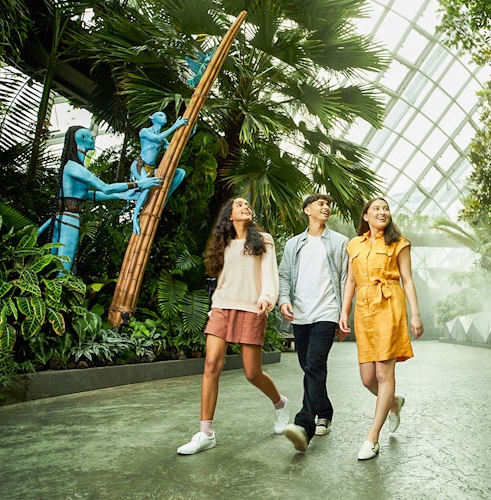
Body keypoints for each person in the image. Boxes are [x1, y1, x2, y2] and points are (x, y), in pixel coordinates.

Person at [177, 197, 290, 455]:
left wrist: (267, 298)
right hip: (222, 306)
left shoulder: (264, 240)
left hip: (252, 307)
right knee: (211, 363)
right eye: (239, 205)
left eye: (248, 205)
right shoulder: (224, 243)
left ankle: (280, 403)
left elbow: (270, 274)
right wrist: (215, 305)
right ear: (230, 215)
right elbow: (223, 279)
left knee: (252, 373)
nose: (245, 207)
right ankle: (206, 433)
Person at [338, 197, 424, 461]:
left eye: (385, 208)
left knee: (384, 373)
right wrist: (344, 310)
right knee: (367, 379)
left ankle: (372, 438)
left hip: (389, 305)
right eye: (376, 208)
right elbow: (351, 280)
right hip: (363, 311)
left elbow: (407, 279)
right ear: (365, 216)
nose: (382, 212)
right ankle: (394, 402)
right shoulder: (354, 244)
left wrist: (415, 313)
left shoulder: (399, 243)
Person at [37, 126, 161, 274]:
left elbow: (88, 195)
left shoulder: (71, 166)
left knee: (55, 266)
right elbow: (105, 188)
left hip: (63, 218)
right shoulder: (74, 167)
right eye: (89, 136)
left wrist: (122, 195)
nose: (92, 139)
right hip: (69, 219)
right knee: (63, 269)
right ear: (81, 138)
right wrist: (139, 184)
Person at [279, 194, 349, 453]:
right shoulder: (294, 244)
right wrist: (284, 300)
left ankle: (303, 424)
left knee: (315, 364)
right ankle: (325, 411)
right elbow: (284, 275)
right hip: (300, 314)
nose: (326, 207)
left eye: (327, 204)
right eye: (319, 204)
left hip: (327, 313)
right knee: (309, 367)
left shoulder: (340, 243)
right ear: (307, 210)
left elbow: (344, 279)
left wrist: (343, 315)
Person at [130, 111, 189, 235]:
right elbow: (157, 138)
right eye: (161, 115)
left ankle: (165, 198)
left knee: (181, 173)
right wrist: (175, 126)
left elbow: (173, 148)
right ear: (152, 118)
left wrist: (188, 133)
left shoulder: (163, 140)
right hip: (140, 165)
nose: (165, 117)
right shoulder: (145, 132)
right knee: (146, 188)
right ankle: (134, 218)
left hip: (152, 169)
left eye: (165, 115)